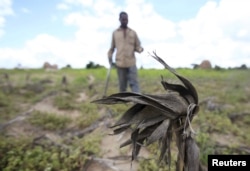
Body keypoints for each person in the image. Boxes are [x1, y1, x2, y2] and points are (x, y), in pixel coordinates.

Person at [107, 11, 143, 93]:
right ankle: (123, 101)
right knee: (122, 85)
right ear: (119, 19)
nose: (125, 21)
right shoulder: (115, 33)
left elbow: (137, 46)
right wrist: (109, 57)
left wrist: (140, 49)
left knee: (134, 83)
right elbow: (112, 48)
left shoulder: (133, 33)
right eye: (123, 19)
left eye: (126, 19)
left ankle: (138, 101)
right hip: (120, 63)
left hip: (131, 62)